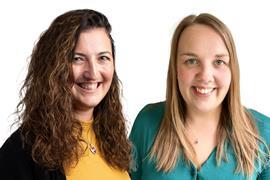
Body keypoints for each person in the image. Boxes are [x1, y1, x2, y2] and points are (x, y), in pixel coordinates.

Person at [129, 13, 270, 179]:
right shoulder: (147, 123)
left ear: (232, 69)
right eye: (191, 61)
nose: (205, 76)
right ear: (175, 69)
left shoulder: (263, 133)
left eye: (219, 62)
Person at [0, 9, 131, 180]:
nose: (92, 72)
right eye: (77, 58)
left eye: (103, 58)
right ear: (54, 68)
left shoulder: (114, 142)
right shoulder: (22, 151)